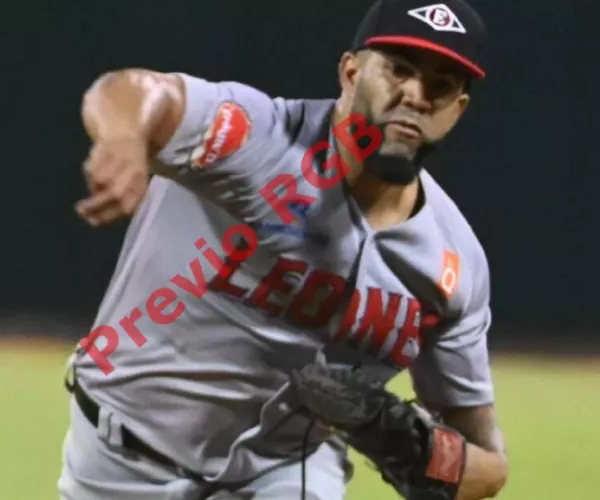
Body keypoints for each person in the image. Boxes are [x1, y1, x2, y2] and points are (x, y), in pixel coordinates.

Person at [59, 0, 509, 498]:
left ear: (457, 109)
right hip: (122, 460)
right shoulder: (259, 141)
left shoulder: (454, 264)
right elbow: (132, 90)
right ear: (351, 72)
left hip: (285, 471)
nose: (416, 95)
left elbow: (487, 468)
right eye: (398, 70)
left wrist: (409, 444)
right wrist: (125, 137)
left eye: (441, 86)